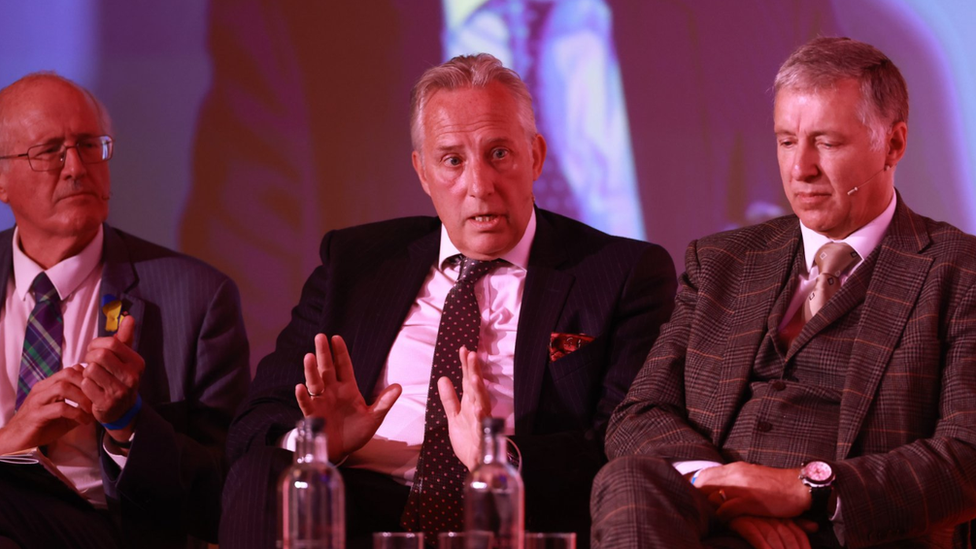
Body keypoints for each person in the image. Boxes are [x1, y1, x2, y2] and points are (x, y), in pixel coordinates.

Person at [221, 53, 676, 548]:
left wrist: (499, 457)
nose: (479, 186)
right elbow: (253, 424)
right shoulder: (356, 262)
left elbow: (624, 437)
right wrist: (318, 444)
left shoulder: (620, 272)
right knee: (265, 472)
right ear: (422, 171)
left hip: (514, 516)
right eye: (453, 160)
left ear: (536, 156)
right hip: (357, 510)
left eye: (499, 153)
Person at [591, 36, 976, 548]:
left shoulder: (959, 271)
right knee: (627, 479)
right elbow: (637, 414)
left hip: (848, 533)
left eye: (828, 142)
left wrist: (804, 490)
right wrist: (726, 495)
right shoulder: (722, 260)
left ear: (894, 144)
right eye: (787, 140)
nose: (801, 169)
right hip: (697, 527)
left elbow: (967, 455)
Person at [0, 73, 250, 548]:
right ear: (1, 180)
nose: (75, 167)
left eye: (89, 145)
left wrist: (127, 423)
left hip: (115, 529)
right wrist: (9, 442)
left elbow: (228, 487)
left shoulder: (197, 296)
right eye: (49, 150)